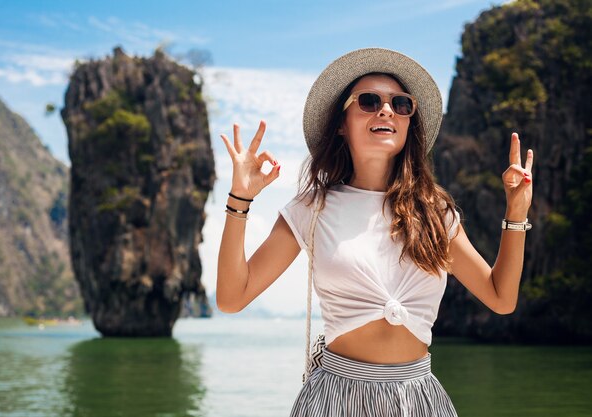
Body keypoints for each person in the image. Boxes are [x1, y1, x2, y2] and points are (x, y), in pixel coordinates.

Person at [216, 47, 534, 416]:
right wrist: (240, 198)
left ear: (408, 123)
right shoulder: (312, 209)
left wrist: (516, 211)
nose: (386, 110)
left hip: (418, 400)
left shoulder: (434, 213)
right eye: (369, 101)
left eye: (400, 104)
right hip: (337, 399)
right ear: (341, 123)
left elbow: (501, 297)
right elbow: (231, 297)